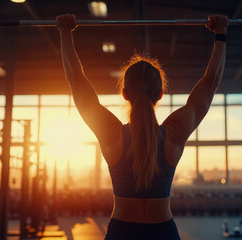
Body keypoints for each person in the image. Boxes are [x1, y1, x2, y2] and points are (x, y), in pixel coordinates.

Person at [56, 13, 228, 240]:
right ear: (160, 94)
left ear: (124, 93)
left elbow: (75, 79)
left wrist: (65, 33)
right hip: (163, 233)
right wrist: (221, 34)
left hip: (122, 233)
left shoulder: (112, 134)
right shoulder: (174, 134)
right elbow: (211, 82)